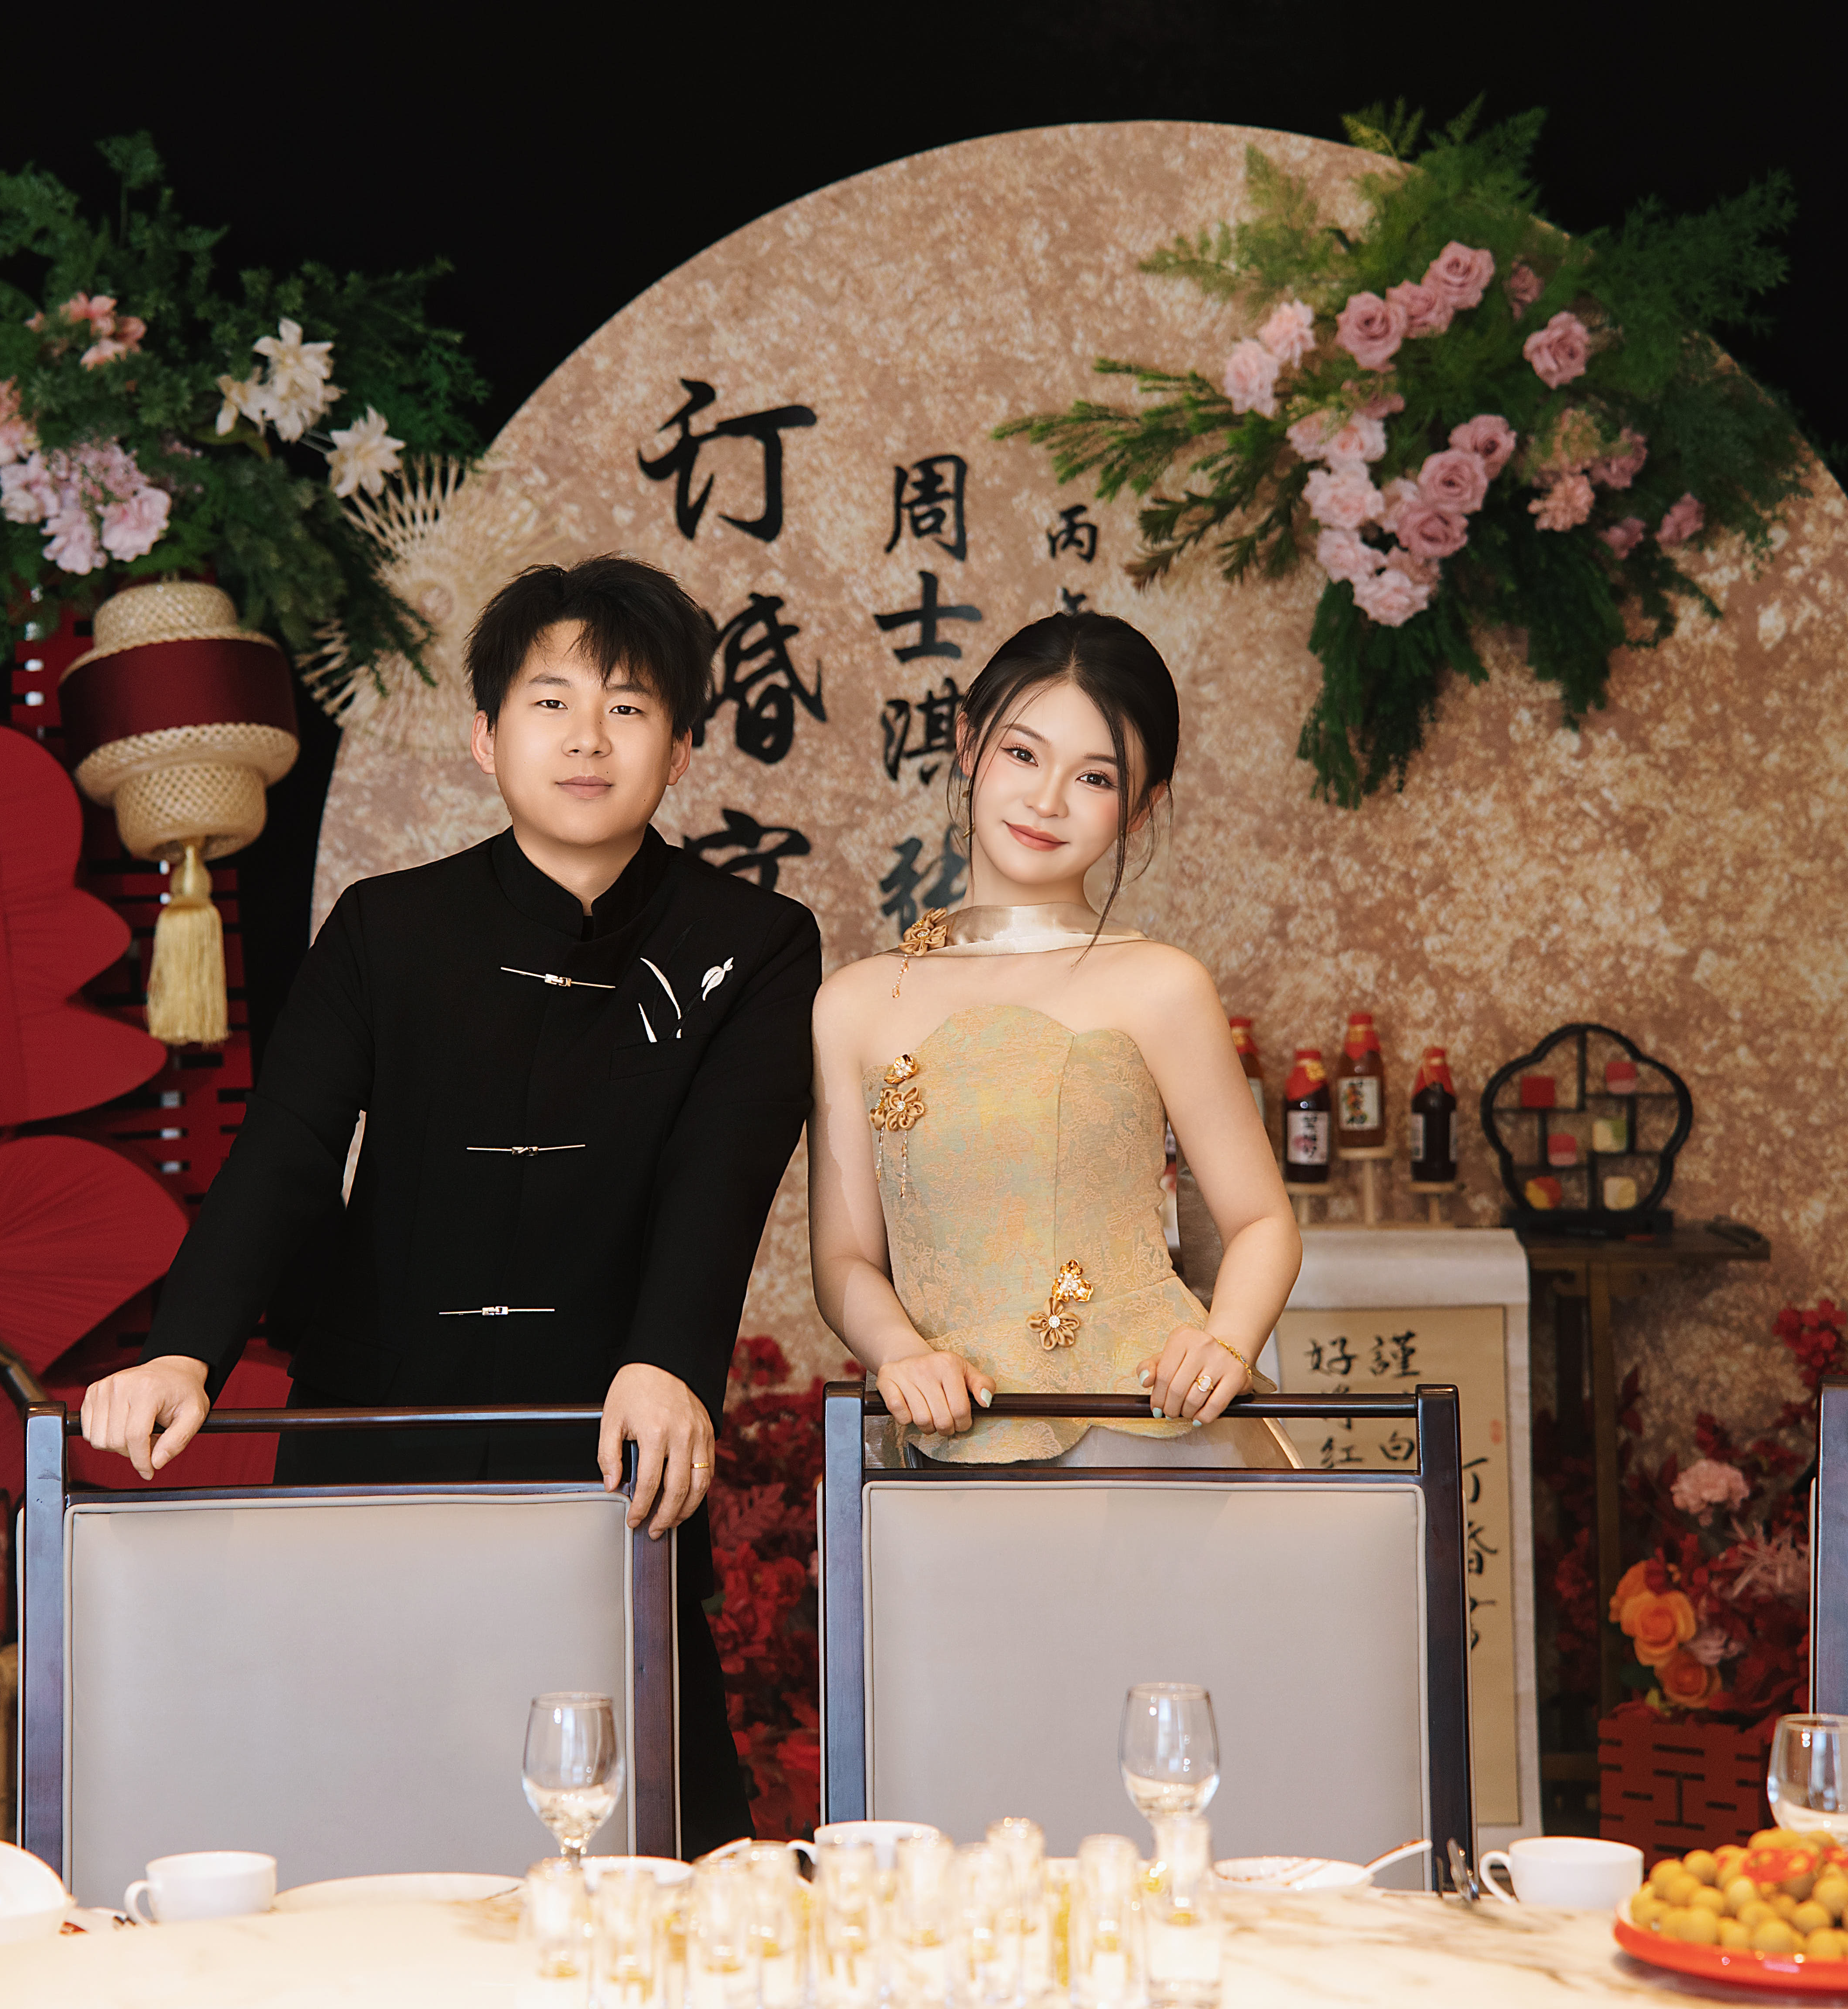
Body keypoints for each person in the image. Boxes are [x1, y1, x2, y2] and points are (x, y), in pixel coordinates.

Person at [80, 554, 824, 1851]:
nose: (587, 739)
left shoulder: (752, 944)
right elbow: (286, 1151)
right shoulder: (387, 928)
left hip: (606, 1442)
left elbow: (723, 1174)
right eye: (551, 703)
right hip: (382, 1427)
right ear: (486, 737)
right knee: (362, 1825)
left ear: (680, 750)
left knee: (644, 1835)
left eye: (629, 708)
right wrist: (183, 1351)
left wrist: (670, 1363)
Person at [806, 612, 1304, 1466]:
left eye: (1096, 777)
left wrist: (1225, 1343)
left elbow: (1263, 1221)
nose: (1046, 801)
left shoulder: (1161, 984)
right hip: (950, 1437)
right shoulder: (854, 1003)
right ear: (969, 743)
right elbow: (844, 1257)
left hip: (1148, 1433)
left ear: (1141, 808)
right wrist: (899, 1352)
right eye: (1022, 754)